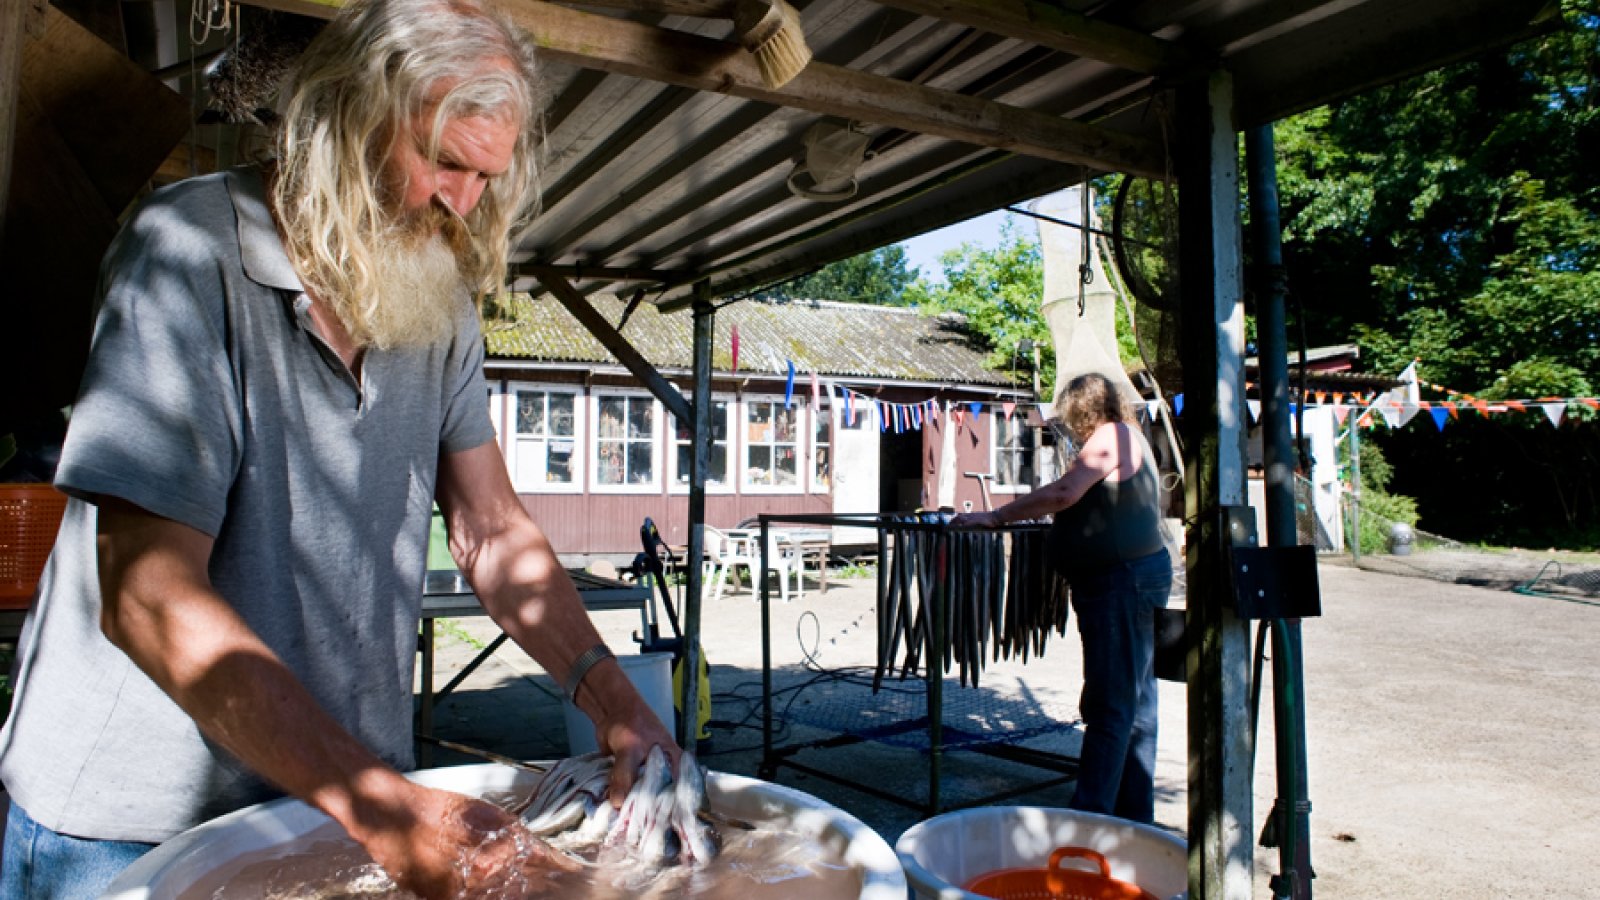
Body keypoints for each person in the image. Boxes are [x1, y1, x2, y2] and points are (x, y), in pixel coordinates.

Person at [0, 1, 676, 897]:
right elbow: (149, 594)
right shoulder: (187, 253)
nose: (463, 204)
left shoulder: (436, 299)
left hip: (341, 800)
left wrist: (613, 700)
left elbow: (489, 527)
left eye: (486, 176)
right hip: (136, 826)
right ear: (345, 116)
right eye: (441, 161)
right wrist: (383, 806)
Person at [952, 372, 1171, 823]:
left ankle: (1090, 820)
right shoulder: (1131, 436)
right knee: (1135, 702)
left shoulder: (1111, 436)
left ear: (1083, 407)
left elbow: (1065, 492)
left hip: (1121, 583)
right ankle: (1132, 817)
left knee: (1112, 705)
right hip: (1125, 578)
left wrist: (997, 517)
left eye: (1068, 412)